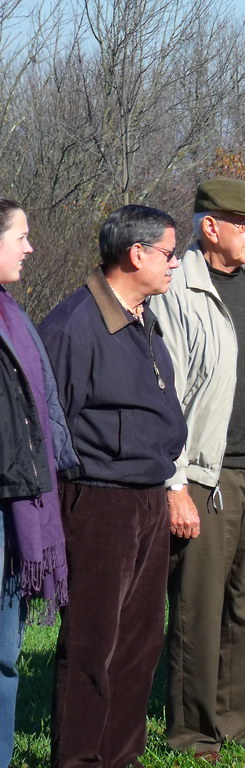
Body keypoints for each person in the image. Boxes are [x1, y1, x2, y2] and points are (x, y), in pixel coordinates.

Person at [150, 178, 245, 759]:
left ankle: (244, 723)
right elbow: (165, 390)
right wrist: (174, 483)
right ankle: (192, 732)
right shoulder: (176, 288)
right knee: (198, 604)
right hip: (203, 476)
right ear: (209, 227)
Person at [40, 205, 188, 768]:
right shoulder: (72, 327)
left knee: (139, 642)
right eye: (169, 254)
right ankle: (78, 759)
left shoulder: (144, 316)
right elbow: (52, 428)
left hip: (148, 497)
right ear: (137, 254)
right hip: (98, 502)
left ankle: (120, 756)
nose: (176, 264)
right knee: (91, 644)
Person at [0, 200, 76, 768]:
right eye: (21, 236)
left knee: (5, 654)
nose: (30, 248)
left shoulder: (13, 317)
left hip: (15, 504)